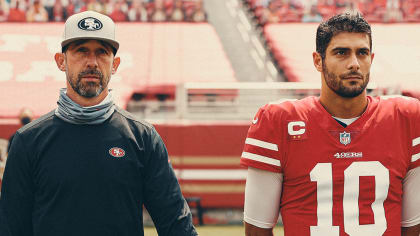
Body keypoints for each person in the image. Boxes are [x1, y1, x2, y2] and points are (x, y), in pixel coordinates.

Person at [0, 10, 197, 236]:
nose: (91, 62)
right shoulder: (28, 142)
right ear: (61, 61)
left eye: (102, 52)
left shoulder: (143, 138)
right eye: (81, 51)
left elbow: (176, 226)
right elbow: (11, 228)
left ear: (115, 64)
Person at [241, 12, 420, 236]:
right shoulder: (278, 121)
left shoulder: (406, 117)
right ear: (318, 61)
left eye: (362, 53)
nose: (354, 63)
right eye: (341, 53)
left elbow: (414, 227)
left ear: (371, 60)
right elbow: (257, 229)